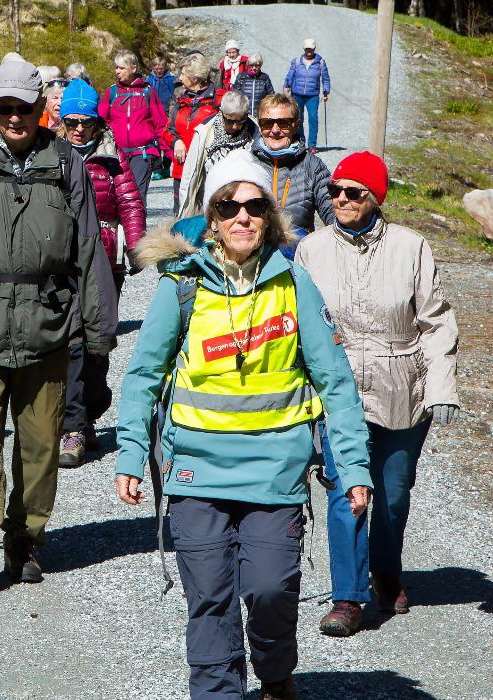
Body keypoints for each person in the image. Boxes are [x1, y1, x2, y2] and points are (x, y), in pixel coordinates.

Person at [114, 151, 374, 700]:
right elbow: (142, 374)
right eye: (228, 206)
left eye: (254, 206)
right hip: (194, 475)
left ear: (269, 216)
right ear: (212, 216)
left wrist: (353, 467)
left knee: (270, 590)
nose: (242, 217)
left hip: (275, 475)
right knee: (209, 597)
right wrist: (131, 452)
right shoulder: (182, 287)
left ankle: (276, 674)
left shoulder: (293, 284)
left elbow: (336, 383)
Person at [0, 55, 115, 592]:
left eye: (23, 108)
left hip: (47, 325)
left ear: (41, 109)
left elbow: (88, 250)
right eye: (4, 108)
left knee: (39, 441)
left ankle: (25, 534)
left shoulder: (66, 164)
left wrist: (97, 329)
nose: (14, 118)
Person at [292, 151, 460, 636]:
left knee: (391, 495)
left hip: (401, 386)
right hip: (336, 388)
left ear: (375, 197)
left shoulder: (411, 247)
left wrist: (441, 387)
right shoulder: (312, 250)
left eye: (353, 192)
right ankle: (348, 597)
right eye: (335, 191)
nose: (341, 199)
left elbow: (436, 320)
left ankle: (386, 571)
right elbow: (297, 325)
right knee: (350, 493)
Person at [55, 79, 146, 467]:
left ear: (97, 122)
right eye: (72, 121)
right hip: (60, 262)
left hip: (107, 263)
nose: (79, 128)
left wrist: (138, 246)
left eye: (86, 121)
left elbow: (129, 201)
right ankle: (71, 426)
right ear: (61, 121)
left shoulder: (112, 156)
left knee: (98, 343)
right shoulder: (51, 154)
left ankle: (90, 412)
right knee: (70, 343)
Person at [250, 93, 332, 254]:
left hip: (297, 259)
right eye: (267, 123)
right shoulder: (245, 163)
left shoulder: (312, 166)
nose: (275, 130)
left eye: (283, 123)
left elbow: (334, 213)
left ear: (296, 125)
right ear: (260, 126)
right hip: (252, 258)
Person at [176, 90, 257, 217]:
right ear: (221, 112)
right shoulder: (204, 133)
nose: (235, 126)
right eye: (230, 121)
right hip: (212, 203)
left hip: (246, 203)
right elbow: (190, 175)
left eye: (240, 121)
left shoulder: (255, 130)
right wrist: (185, 212)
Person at [103, 51, 168, 186]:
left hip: (143, 154)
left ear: (133, 68)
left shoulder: (147, 91)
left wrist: (168, 152)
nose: (117, 71)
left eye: (121, 68)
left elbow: (160, 124)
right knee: (120, 197)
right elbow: (102, 121)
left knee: (139, 196)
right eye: (116, 67)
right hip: (117, 154)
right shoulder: (112, 92)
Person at [167, 53, 218, 199]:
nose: (180, 78)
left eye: (183, 74)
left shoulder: (217, 99)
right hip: (181, 170)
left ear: (194, 77)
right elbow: (167, 130)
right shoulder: (180, 99)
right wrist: (176, 141)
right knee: (182, 218)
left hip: (207, 170)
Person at [282, 38, 331, 151]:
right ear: (304, 49)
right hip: (297, 94)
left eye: (311, 49)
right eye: (307, 49)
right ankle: (301, 141)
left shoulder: (320, 62)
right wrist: (287, 86)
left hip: (312, 95)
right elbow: (290, 75)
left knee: (313, 118)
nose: (309, 51)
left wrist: (326, 91)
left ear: (314, 49)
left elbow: (326, 78)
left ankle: (312, 145)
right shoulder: (297, 61)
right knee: (298, 118)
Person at [38, 65, 68, 129]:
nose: (59, 103)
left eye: (63, 98)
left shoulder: (73, 126)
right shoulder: (36, 124)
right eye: (55, 98)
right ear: (45, 101)